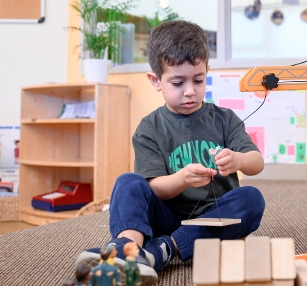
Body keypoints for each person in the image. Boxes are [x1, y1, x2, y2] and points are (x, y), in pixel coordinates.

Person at [76, 19, 266, 284]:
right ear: (156, 80)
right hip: (167, 216)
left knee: (252, 199)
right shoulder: (149, 128)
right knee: (128, 182)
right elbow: (154, 189)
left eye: (198, 80)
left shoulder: (224, 119)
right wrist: (183, 178)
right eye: (178, 83)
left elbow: (256, 163)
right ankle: (127, 250)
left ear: (206, 72)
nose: (190, 91)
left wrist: (238, 159)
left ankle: (162, 250)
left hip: (215, 218)